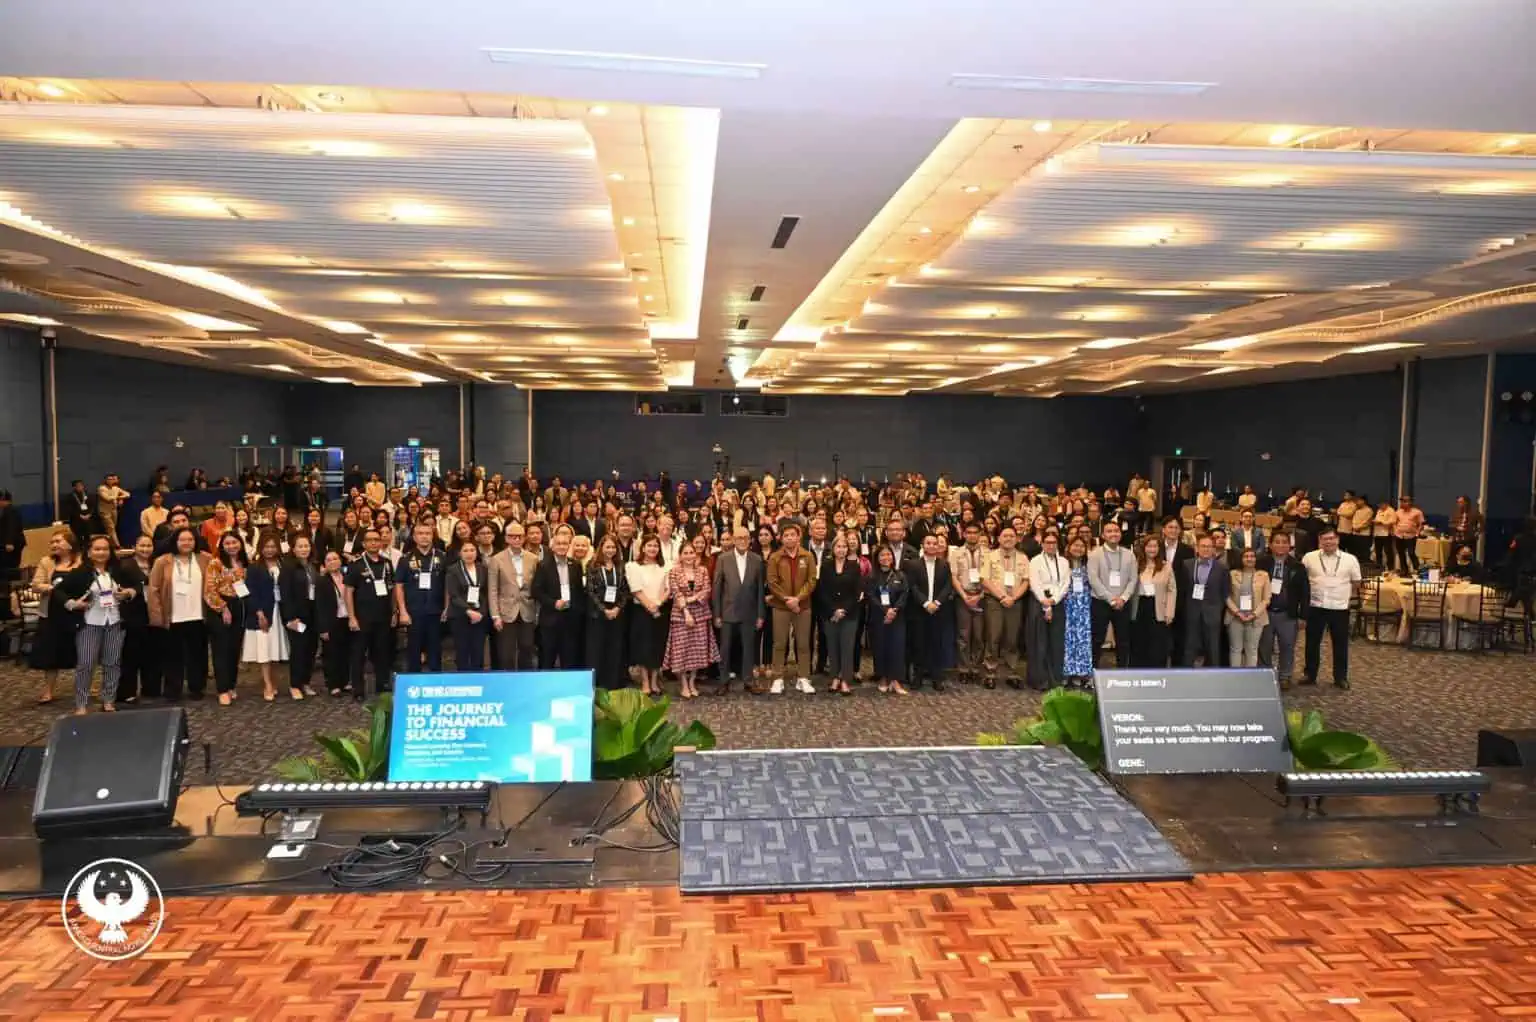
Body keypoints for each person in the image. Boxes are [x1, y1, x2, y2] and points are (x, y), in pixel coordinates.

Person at [57, 534, 134, 714]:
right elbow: (59, 592)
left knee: (112, 663)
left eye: (105, 549)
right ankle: (81, 703)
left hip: (114, 622)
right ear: (89, 552)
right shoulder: (80, 573)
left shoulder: (117, 570)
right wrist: (73, 604)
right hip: (90, 623)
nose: (101, 553)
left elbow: (135, 586)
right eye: (97, 549)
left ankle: (108, 700)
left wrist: (128, 593)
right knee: (86, 664)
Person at [147, 525, 211, 700]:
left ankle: (196, 688)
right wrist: (157, 616)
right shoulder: (162, 561)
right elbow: (153, 590)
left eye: (190, 539)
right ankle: (173, 689)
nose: (186, 543)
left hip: (198, 615)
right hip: (172, 617)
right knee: (172, 656)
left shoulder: (205, 559)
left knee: (197, 655)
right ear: (175, 541)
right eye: (182, 539)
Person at [1301, 526, 1362, 689]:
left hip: (1339, 607)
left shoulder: (1350, 559)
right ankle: (1310, 674)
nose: (1328, 542)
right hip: (1316, 606)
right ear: (1319, 541)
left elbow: (1356, 582)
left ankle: (1340, 677)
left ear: (1338, 540)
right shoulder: (1309, 557)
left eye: (1331, 538)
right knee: (1312, 643)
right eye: (1325, 539)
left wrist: (1343, 594)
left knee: (1340, 644)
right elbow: (1302, 580)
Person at [343, 528, 397, 698]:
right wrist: (352, 617)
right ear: (364, 543)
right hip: (362, 617)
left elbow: (393, 588)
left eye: (376, 540)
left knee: (382, 652)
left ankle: (382, 684)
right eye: (370, 540)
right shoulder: (356, 564)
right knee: (359, 654)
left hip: (383, 616)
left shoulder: (387, 563)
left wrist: (394, 611)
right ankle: (358, 689)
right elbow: (348, 591)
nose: (373, 543)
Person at [766, 522, 818, 695]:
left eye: (792, 535)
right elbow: (772, 582)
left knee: (803, 644)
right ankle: (777, 678)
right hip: (781, 607)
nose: (789, 538)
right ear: (781, 538)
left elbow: (811, 580)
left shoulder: (808, 556)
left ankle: (803, 678)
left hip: (803, 606)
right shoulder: (775, 557)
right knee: (779, 643)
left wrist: (798, 599)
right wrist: (787, 600)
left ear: (798, 537)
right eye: (786, 535)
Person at [712, 526, 764, 694]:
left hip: (749, 612)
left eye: (745, 538)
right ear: (733, 540)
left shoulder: (757, 559)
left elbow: (760, 590)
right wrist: (717, 614)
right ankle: (724, 681)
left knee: (748, 648)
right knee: (725, 649)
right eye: (739, 538)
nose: (742, 541)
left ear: (750, 540)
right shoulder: (723, 559)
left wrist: (760, 614)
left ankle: (748, 681)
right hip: (727, 612)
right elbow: (717, 588)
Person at [662, 541, 717, 699]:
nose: (688, 556)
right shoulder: (674, 572)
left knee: (698, 652)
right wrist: (686, 612)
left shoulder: (702, 570)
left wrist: (691, 599)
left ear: (695, 554)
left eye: (691, 552)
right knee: (681, 652)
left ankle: (692, 682)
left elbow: (706, 590)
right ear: (680, 556)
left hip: (701, 615)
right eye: (685, 553)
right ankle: (684, 684)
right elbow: (676, 593)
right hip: (681, 616)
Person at [242, 531, 293, 701]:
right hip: (263, 612)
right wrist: (259, 613)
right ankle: (267, 684)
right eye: (266, 547)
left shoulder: (284, 565)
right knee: (264, 649)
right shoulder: (254, 567)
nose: (269, 550)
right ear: (260, 548)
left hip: (280, 611)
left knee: (276, 648)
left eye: (272, 546)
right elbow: (251, 592)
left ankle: (275, 681)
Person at [204, 531, 250, 705]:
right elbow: (209, 591)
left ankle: (231, 685)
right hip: (220, 607)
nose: (231, 546)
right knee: (221, 650)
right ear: (222, 546)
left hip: (240, 605)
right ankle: (222, 689)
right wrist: (223, 608)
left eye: (234, 542)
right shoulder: (215, 563)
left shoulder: (244, 563)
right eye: (227, 543)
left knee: (234, 649)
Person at [1256, 529, 1306, 688]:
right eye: (1277, 542)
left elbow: (1305, 592)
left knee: (1287, 646)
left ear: (1289, 545)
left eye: (1284, 542)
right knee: (1264, 646)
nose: (1281, 545)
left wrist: (1303, 616)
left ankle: (1285, 676)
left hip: (1287, 614)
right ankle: (1265, 674)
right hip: (1265, 613)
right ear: (1270, 545)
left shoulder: (1298, 566)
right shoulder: (1261, 563)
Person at [395, 522, 446, 673]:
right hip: (413, 612)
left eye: (427, 533)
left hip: (436, 611)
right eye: (420, 533)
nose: (424, 537)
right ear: (414, 537)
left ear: (432, 536)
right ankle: (414, 681)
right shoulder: (405, 559)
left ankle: (436, 680)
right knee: (414, 650)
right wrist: (402, 611)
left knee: (435, 649)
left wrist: (447, 607)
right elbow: (399, 586)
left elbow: (448, 585)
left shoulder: (442, 557)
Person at [982, 525, 1029, 687]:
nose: (1008, 539)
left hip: (1015, 601)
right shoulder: (990, 556)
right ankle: (990, 672)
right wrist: (1002, 596)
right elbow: (985, 579)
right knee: (993, 637)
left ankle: (1012, 672)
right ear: (999, 538)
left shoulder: (1023, 557)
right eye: (1005, 536)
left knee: (1012, 638)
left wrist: (1013, 597)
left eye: (1011, 536)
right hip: (995, 601)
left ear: (1017, 539)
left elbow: (1026, 581)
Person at [906, 533, 954, 691]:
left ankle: (936, 677)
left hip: (938, 610)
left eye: (935, 543)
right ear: (922, 546)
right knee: (919, 644)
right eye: (928, 543)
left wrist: (937, 602)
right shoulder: (913, 565)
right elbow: (912, 587)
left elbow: (948, 586)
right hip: (919, 610)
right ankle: (918, 676)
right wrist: (926, 603)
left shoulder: (944, 565)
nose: (932, 546)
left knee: (936, 644)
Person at [816, 533, 863, 695]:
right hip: (830, 613)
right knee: (833, 646)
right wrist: (833, 610)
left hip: (849, 614)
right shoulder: (825, 566)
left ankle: (845, 680)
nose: (841, 549)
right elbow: (822, 591)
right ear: (833, 548)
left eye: (844, 547)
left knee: (847, 647)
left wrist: (843, 610)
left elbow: (857, 592)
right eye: (838, 546)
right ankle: (835, 677)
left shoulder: (854, 566)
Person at [488, 522, 539, 670]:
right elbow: (493, 589)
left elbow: (537, 587)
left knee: (527, 649)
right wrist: (495, 615)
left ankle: (525, 681)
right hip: (505, 611)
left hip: (527, 609)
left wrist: (537, 612)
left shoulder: (533, 558)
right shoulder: (497, 559)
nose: (516, 539)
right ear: (506, 538)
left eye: (519, 536)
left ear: (524, 538)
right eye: (512, 536)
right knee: (506, 653)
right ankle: (507, 680)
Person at [532, 529, 585, 670]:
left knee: (569, 659)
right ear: (553, 546)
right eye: (559, 544)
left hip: (570, 620)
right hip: (550, 619)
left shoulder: (575, 565)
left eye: (565, 544)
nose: (562, 546)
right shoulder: (543, 565)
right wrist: (553, 603)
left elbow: (579, 591)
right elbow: (536, 591)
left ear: (569, 546)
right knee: (547, 659)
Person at [583, 534, 630, 689]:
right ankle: (596, 683)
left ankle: (613, 683)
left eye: (613, 547)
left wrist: (617, 608)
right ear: (601, 548)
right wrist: (604, 610)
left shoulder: (621, 566)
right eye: (607, 547)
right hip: (597, 615)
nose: (610, 550)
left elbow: (625, 590)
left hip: (617, 615)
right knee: (596, 649)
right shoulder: (592, 565)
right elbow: (590, 591)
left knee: (614, 648)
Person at [1087, 520, 1135, 670]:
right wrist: (1110, 598)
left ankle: (1122, 671)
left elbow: (1133, 579)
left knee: (1123, 640)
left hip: (1123, 603)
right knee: (1097, 639)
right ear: (1103, 535)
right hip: (1100, 602)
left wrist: (1123, 598)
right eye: (1109, 531)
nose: (1113, 534)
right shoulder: (1095, 554)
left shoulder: (1129, 554)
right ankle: (1092, 672)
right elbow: (1093, 580)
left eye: (1116, 531)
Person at [115, 534, 157, 703]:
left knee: (152, 653)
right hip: (132, 613)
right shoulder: (125, 565)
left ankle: (151, 688)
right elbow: (118, 588)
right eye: (142, 546)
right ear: (134, 547)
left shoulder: (156, 564)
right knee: (130, 654)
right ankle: (127, 691)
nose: (145, 549)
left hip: (153, 613)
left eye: (149, 546)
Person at [278, 534, 320, 698]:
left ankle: (306, 682)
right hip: (297, 616)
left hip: (313, 613)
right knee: (298, 650)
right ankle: (295, 685)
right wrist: (290, 617)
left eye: (306, 546)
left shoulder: (313, 565)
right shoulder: (288, 568)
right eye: (300, 546)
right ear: (293, 549)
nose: (304, 549)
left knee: (311, 649)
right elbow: (285, 594)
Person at [1180, 533, 1229, 667]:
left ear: (1213, 549)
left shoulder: (1222, 568)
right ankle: (1186, 674)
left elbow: (1225, 592)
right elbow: (1183, 589)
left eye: (1209, 546)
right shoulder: (1187, 565)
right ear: (1197, 548)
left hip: (1212, 613)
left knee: (1213, 648)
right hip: (1192, 611)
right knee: (1189, 646)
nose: (1206, 549)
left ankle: (1213, 675)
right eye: (1203, 546)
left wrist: (1217, 609)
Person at [1026, 531, 1068, 689]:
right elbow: (1034, 583)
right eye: (1047, 542)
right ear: (1042, 544)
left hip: (1058, 602)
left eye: (1053, 543)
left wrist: (1054, 600)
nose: (1051, 546)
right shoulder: (1035, 561)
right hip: (1039, 602)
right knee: (1039, 642)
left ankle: (1055, 679)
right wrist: (1045, 603)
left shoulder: (1063, 561)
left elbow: (1065, 584)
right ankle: (1039, 679)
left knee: (1056, 642)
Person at [866, 544, 909, 694]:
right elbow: (871, 596)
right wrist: (885, 611)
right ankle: (883, 678)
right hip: (879, 617)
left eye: (888, 554)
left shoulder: (900, 575)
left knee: (897, 648)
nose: (886, 558)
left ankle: (895, 680)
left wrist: (894, 610)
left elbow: (905, 594)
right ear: (877, 559)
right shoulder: (872, 577)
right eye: (882, 555)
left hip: (897, 617)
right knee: (880, 647)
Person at [949, 521, 988, 684]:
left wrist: (980, 596)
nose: (972, 535)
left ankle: (976, 668)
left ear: (980, 534)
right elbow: (954, 577)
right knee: (963, 635)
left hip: (982, 597)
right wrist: (965, 596)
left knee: (979, 635)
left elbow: (990, 578)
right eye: (969, 532)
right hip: (963, 597)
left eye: (975, 532)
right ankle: (964, 669)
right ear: (964, 534)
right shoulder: (956, 553)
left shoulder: (987, 553)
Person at [1130, 534, 1176, 667]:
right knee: (1139, 643)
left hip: (1158, 608)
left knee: (1157, 646)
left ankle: (1157, 674)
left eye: (1155, 546)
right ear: (1144, 548)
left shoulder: (1166, 566)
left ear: (1159, 549)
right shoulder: (1136, 565)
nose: (1152, 549)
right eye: (1149, 546)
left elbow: (1172, 590)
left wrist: (1169, 612)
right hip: (1139, 607)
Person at [446, 540, 490, 670]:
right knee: (462, 652)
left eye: (472, 550)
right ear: (460, 553)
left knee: (478, 652)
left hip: (479, 617)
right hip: (460, 615)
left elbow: (486, 593)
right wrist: (468, 611)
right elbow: (454, 595)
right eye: (465, 550)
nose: (469, 553)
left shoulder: (483, 569)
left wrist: (481, 612)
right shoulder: (453, 570)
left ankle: (478, 678)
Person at [315, 550, 353, 696]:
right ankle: (333, 684)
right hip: (331, 621)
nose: (333, 562)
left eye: (335, 558)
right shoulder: (321, 581)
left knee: (346, 652)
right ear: (325, 564)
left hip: (346, 618)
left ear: (341, 561)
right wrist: (323, 628)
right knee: (331, 653)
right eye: (329, 560)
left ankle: (345, 681)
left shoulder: (347, 577)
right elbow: (319, 606)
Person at [1225, 547, 1270, 667]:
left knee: (1252, 650)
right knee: (1235, 649)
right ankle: (1235, 675)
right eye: (1246, 556)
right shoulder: (1232, 574)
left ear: (1256, 559)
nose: (1249, 559)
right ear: (1241, 559)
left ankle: (1250, 676)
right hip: (1235, 618)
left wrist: (1254, 614)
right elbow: (1226, 596)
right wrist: (1237, 612)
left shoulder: (1264, 575)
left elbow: (1266, 599)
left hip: (1256, 618)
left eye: (1252, 556)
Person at [1061, 535, 1094, 687]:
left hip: (1084, 606)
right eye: (1075, 545)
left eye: (1081, 546)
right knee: (1068, 639)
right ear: (1069, 547)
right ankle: (1066, 672)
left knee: (1082, 639)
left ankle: (1081, 673)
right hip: (1067, 604)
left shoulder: (1089, 565)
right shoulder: (1063, 564)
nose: (1078, 548)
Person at [1393, 495, 1424, 574]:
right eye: (1401, 502)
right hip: (1399, 535)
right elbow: (1394, 522)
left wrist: (1417, 534)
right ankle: (1404, 570)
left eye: (1404, 502)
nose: (1402, 503)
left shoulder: (1417, 512)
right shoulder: (1398, 512)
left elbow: (1421, 524)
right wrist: (1395, 531)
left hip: (1411, 536)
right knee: (1401, 553)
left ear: (1410, 502)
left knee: (1411, 553)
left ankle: (1417, 569)